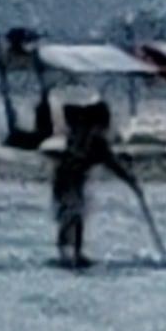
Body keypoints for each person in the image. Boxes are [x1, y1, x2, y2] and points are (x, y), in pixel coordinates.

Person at [49, 91, 119, 269]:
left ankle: (71, 254)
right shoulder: (95, 141)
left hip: (66, 180)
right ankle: (70, 255)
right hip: (68, 181)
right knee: (72, 215)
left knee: (74, 216)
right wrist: (132, 182)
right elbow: (113, 164)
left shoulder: (79, 133)